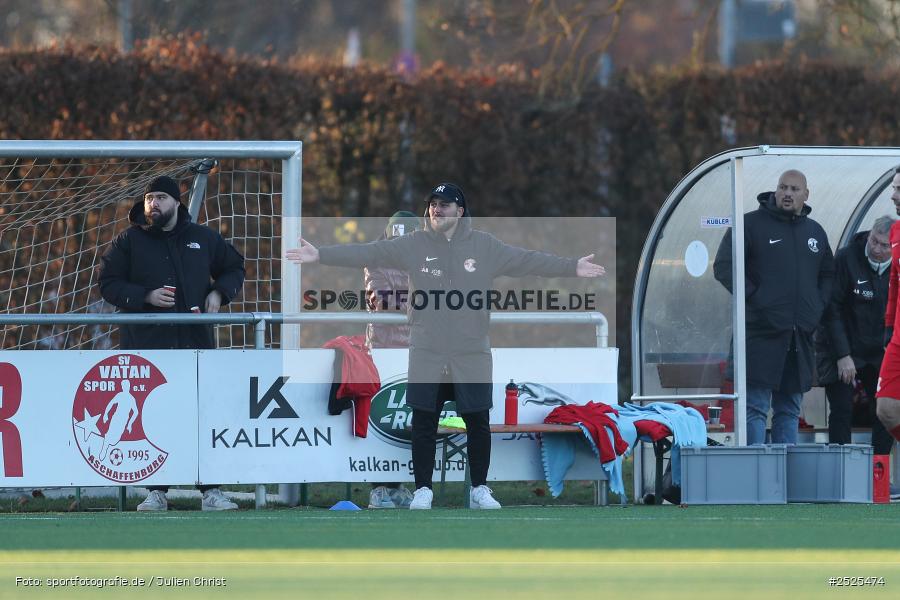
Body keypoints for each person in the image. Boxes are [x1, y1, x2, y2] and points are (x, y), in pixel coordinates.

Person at [287, 182, 605, 509]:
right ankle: (423, 490)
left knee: (477, 420)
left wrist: (572, 267)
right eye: (433, 204)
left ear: (461, 211)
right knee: (424, 419)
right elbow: (369, 252)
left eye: (445, 204)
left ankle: (479, 489)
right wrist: (320, 254)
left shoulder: (484, 246)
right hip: (428, 349)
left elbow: (527, 261)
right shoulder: (414, 244)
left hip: (471, 351)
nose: (437, 209)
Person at [99, 175, 245, 511]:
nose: (154, 204)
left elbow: (235, 266)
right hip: (147, 347)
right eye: (149, 198)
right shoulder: (129, 241)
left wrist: (218, 293)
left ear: (177, 202)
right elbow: (107, 283)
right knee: (154, 417)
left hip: (196, 345)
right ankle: (156, 492)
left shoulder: (203, 238)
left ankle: (211, 491)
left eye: (161, 198)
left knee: (201, 414)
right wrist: (145, 296)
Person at [714, 169, 834, 445]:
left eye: (794, 189)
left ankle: (783, 480)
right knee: (755, 409)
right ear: (775, 190)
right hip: (759, 334)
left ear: (806, 194)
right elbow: (724, 266)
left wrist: (816, 307)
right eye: (783, 187)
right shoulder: (750, 225)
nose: (787, 194)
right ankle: (757, 478)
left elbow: (828, 274)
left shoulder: (814, 231)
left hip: (798, 338)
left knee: (789, 410)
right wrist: (758, 299)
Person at [816, 216, 894, 456]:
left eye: (884, 246)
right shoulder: (846, 258)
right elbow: (832, 309)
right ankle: (842, 473)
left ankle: (877, 472)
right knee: (841, 409)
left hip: (878, 349)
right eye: (874, 241)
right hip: (843, 347)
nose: (877, 249)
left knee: (886, 409)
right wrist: (843, 355)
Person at [365, 210, 420, 509]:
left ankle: (397, 486)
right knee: (384, 417)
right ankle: (378, 488)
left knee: (408, 420)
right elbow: (381, 298)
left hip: (419, 348)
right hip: (384, 349)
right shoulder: (375, 258)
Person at [876, 168, 900, 446]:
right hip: (897, 340)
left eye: (898, 189)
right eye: (893, 188)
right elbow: (894, 282)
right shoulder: (895, 231)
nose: (893, 195)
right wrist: (889, 325)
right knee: (887, 410)